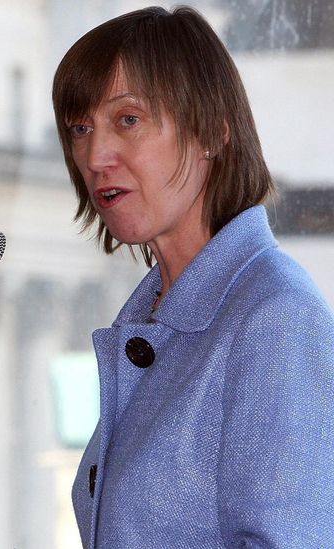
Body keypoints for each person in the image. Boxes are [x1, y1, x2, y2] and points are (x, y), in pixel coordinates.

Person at [52, 6, 334, 548]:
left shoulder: (275, 316)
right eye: (80, 129)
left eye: (127, 120)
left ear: (212, 130)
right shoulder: (152, 320)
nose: (94, 155)